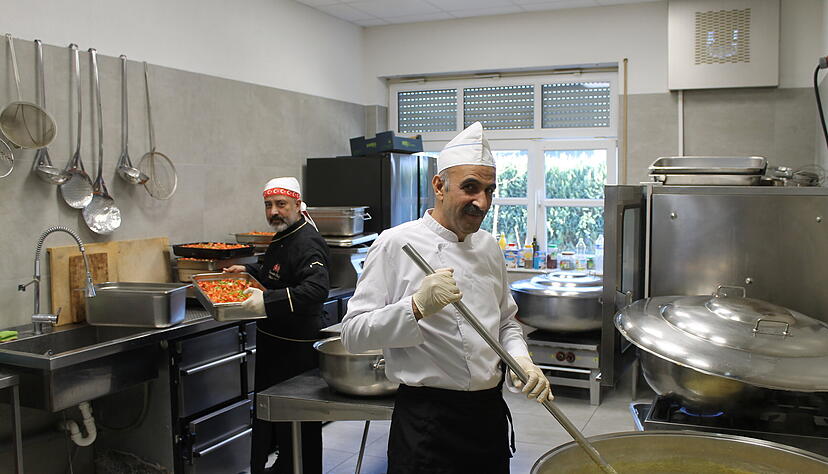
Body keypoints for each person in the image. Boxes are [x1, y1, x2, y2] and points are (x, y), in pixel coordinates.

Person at [340, 122, 552, 474]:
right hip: (428, 421)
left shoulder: (488, 248)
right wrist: (416, 307)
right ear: (439, 185)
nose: (481, 202)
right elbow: (353, 334)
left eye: (489, 190)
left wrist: (521, 361)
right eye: (470, 187)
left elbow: (505, 322)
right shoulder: (395, 244)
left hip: (487, 417)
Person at [224, 176, 330, 474]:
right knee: (275, 417)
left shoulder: (308, 240)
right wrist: (248, 269)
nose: (274, 211)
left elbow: (315, 290)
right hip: (275, 342)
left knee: (298, 421)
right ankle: (283, 465)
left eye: (281, 204)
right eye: (269, 205)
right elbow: (277, 270)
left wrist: (264, 302)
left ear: (297, 205)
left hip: (296, 348)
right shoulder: (285, 235)